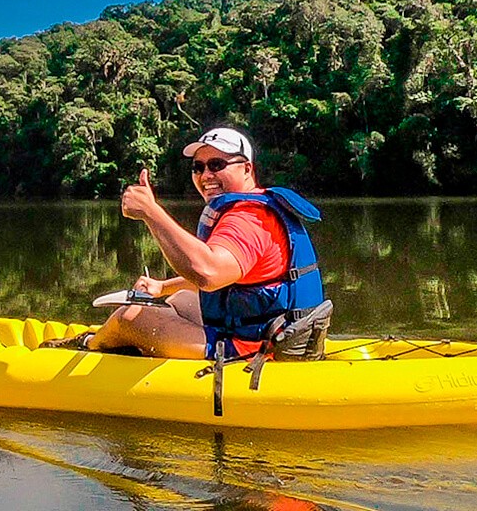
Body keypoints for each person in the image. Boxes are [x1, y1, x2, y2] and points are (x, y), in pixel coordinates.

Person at [46, 128, 329, 360]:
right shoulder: (258, 207)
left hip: (259, 347)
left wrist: (151, 213)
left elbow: (208, 273)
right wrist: (161, 287)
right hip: (280, 334)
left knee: (128, 318)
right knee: (179, 299)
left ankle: (90, 347)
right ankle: (125, 344)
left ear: (247, 168)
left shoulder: (247, 219)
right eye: (198, 167)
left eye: (217, 165)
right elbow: (234, 280)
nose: (205, 175)